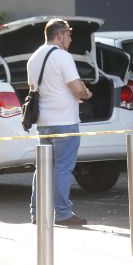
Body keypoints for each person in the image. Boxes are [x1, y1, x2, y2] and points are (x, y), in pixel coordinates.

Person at [28, 18, 92, 227]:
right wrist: (87, 93)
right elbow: (76, 87)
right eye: (69, 34)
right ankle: (63, 213)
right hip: (64, 120)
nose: (71, 38)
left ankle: (37, 212)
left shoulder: (34, 58)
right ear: (59, 35)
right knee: (63, 168)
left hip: (43, 121)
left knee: (43, 168)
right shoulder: (62, 57)